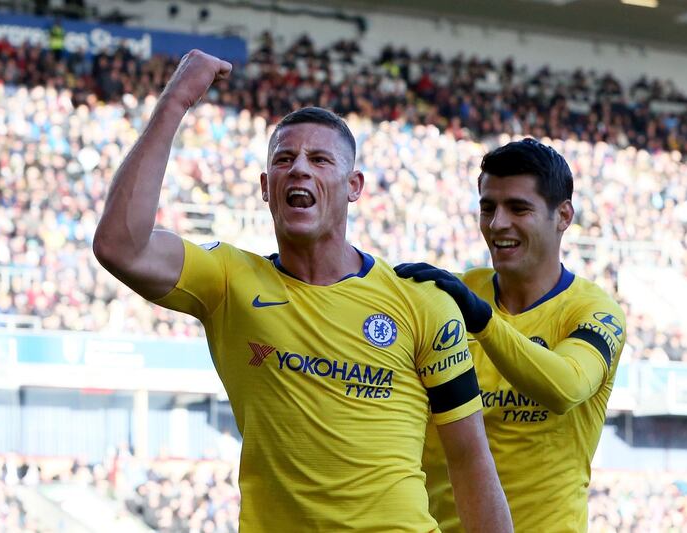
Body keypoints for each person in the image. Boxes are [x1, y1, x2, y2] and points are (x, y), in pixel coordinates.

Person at [93, 49, 512, 532]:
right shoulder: (228, 280)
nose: (299, 170)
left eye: (319, 159)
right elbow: (119, 246)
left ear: (353, 185)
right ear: (266, 187)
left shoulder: (422, 301)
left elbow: (469, 461)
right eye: (285, 160)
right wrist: (175, 102)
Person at [396, 138, 627, 532]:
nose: (497, 223)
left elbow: (565, 386)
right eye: (488, 207)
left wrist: (482, 321)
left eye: (518, 208)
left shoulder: (594, 311)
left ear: (563, 215)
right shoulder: (447, 298)